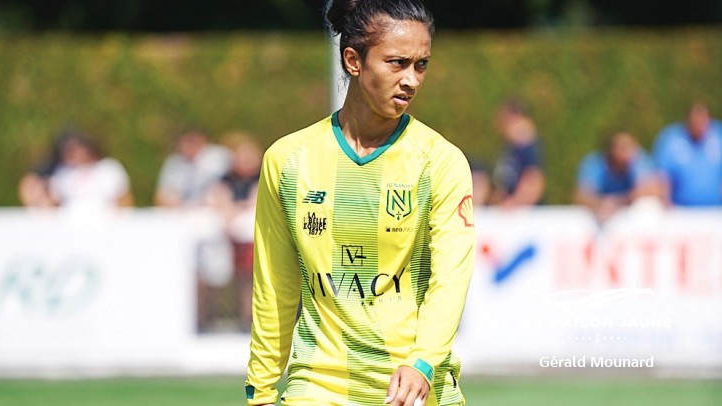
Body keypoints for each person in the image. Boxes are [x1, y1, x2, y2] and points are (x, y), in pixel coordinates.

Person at [245, 1, 475, 405]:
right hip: (317, 387)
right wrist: (260, 391)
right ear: (353, 60)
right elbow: (275, 287)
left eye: (421, 65)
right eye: (397, 63)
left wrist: (423, 361)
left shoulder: (439, 161)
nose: (412, 80)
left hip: (417, 386)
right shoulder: (287, 160)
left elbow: (450, 279)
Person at [204, 132, 264, 332]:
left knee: (251, 278)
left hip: (252, 241)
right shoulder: (225, 179)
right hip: (229, 239)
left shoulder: (263, 177)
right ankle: (213, 315)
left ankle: (248, 316)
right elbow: (215, 198)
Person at [574, 131, 660, 222]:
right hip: (601, 219)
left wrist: (617, 202)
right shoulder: (594, 164)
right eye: (623, 148)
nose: (630, 153)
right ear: (612, 150)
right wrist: (603, 203)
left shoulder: (637, 160)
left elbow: (652, 189)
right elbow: (581, 197)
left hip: (630, 220)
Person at [653, 102, 722, 206]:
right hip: (682, 212)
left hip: (715, 211)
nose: (699, 125)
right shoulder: (672, 139)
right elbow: (663, 176)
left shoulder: (718, 136)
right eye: (695, 121)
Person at [48, 132, 133, 209]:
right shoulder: (63, 172)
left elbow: (124, 198)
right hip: (70, 224)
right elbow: (55, 203)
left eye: (74, 150)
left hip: (105, 224)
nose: (71, 154)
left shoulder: (109, 168)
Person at [154, 129, 232, 208]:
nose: (189, 147)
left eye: (193, 143)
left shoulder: (216, 157)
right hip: (180, 210)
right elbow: (162, 193)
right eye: (186, 143)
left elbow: (224, 184)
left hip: (210, 207)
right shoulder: (174, 163)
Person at [489, 100, 545, 207]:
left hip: (523, 215)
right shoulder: (509, 147)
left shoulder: (527, 146)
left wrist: (516, 202)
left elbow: (533, 180)